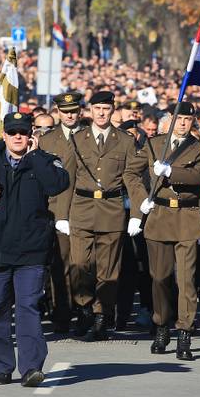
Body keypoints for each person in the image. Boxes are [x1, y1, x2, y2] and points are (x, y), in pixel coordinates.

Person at [0, 112, 70, 386]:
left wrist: (34, 157)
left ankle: (31, 367)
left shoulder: (43, 160)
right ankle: (2, 367)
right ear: (4, 135)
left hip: (30, 250)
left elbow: (58, 184)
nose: (18, 137)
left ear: (31, 134)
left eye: (23, 132)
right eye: (13, 132)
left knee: (27, 307)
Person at [61, 90, 145, 340]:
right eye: (97, 109)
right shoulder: (77, 139)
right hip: (81, 208)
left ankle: (100, 315)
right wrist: (61, 215)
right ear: (89, 111)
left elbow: (133, 179)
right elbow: (68, 178)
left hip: (111, 210)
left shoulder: (125, 141)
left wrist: (137, 213)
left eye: (106, 109)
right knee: (79, 265)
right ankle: (84, 305)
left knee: (108, 271)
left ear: (112, 111)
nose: (101, 113)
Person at [135, 103, 200, 360]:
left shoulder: (198, 148)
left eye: (189, 119)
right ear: (171, 119)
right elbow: (132, 172)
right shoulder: (155, 144)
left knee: (186, 280)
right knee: (159, 278)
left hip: (187, 217)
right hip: (159, 215)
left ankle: (185, 331)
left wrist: (171, 171)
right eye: (180, 119)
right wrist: (141, 200)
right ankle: (162, 323)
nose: (184, 123)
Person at [38, 91, 83, 333]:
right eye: (65, 112)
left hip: (85, 207)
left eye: (73, 111)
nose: (69, 116)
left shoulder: (88, 135)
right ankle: (62, 312)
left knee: (84, 264)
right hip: (56, 209)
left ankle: (84, 309)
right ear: (57, 113)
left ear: (80, 112)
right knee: (60, 265)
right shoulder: (48, 141)